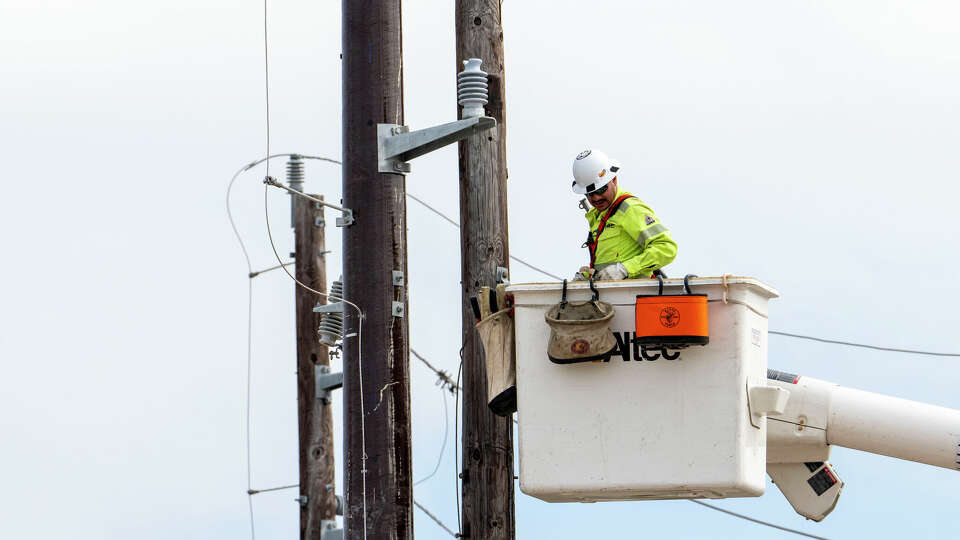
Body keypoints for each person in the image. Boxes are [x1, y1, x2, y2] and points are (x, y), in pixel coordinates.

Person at [571, 149, 677, 281]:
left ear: (614, 180)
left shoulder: (630, 209)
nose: (596, 198)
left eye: (601, 189)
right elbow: (608, 265)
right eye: (590, 194)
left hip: (632, 296)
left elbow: (666, 248)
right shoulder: (597, 216)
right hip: (609, 297)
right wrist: (588, 277)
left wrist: (625, 269)